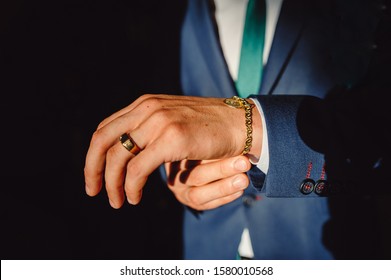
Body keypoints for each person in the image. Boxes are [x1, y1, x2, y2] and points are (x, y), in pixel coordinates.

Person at [84, 0, 390, 259]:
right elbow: (173, 108)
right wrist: (174, 171)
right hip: (208, 249)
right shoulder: (176, 9)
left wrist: (246, 126)